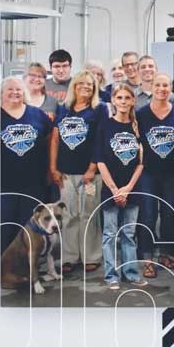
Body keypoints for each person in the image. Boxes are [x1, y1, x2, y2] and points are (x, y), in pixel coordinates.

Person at [51, 71, 105, 274]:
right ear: (74, 86)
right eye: (81, 83)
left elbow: (101, 140)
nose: (86, 87)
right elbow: (55, 139)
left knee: (88, 214)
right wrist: (53, 168)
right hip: (66, 173)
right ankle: (70, 257)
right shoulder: (63, 109)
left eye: (90, 84)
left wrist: (92, 168)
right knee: (69, 215)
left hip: (90, 175)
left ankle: (91, 256)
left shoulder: (99, 109)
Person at [95, 82, 147, 290]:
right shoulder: (105, 125)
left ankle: (131, 272)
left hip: (132, 188)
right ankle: (111, 275)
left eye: (127, 98)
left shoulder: (138, 126)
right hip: (111, 188)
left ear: (133, 100)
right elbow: (100, 160)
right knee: (110, 234)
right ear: (113, 101)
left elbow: (142, 163)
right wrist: (115, 190)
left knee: (128, 233)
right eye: (119, 98)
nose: (123, 102)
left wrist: (128, 188)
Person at [135, 72, 174, 278]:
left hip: (172, 173)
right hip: (147, 172)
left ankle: (164, 253)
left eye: (166, 85)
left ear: (171, 88)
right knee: (148, 215)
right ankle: (147, 258)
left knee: (168, 215)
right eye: (158, 85)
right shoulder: (141, 113)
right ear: (152, 87)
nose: (162, 89)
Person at [0, 77, 54, 251]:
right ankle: (3, 268)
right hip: (3, 183)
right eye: (10, 89)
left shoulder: (36, 114)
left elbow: (50, 138)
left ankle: (28, 269)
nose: (15, 92)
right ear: (1, 93)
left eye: (18, 89)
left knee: (29, 227)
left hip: (33, 182)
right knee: (6, 226)